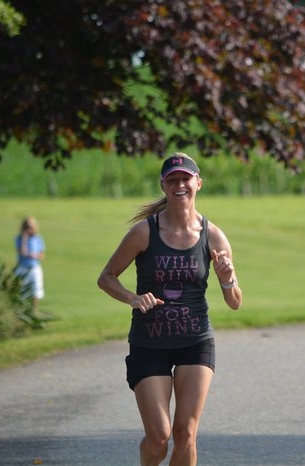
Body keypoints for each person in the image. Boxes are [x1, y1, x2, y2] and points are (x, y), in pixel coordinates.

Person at [97, 153, 242, 466]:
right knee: (159, 436)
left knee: (186, 433)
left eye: (185, 178)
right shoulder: (143, 233)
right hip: (150, 344)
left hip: (196, 342)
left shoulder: (212, 235)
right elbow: (106, 278)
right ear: (163, 185)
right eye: (172, 179)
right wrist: (133, 298)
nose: (180, 184)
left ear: (198, 183)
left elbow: (235, 302)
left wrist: (228, 280)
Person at [14, 216, 45, 312]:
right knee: (21, 292)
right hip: (23, 268)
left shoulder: (38, 239)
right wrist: (24, 239)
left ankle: (34, 312)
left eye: (31, 227)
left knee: (36, 292)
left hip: (34, 268)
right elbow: (22, 252)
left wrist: (34, 255)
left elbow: (42, 256)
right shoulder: (19, 239)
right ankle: (22, 312)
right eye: (27, 227)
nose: (29, 229)